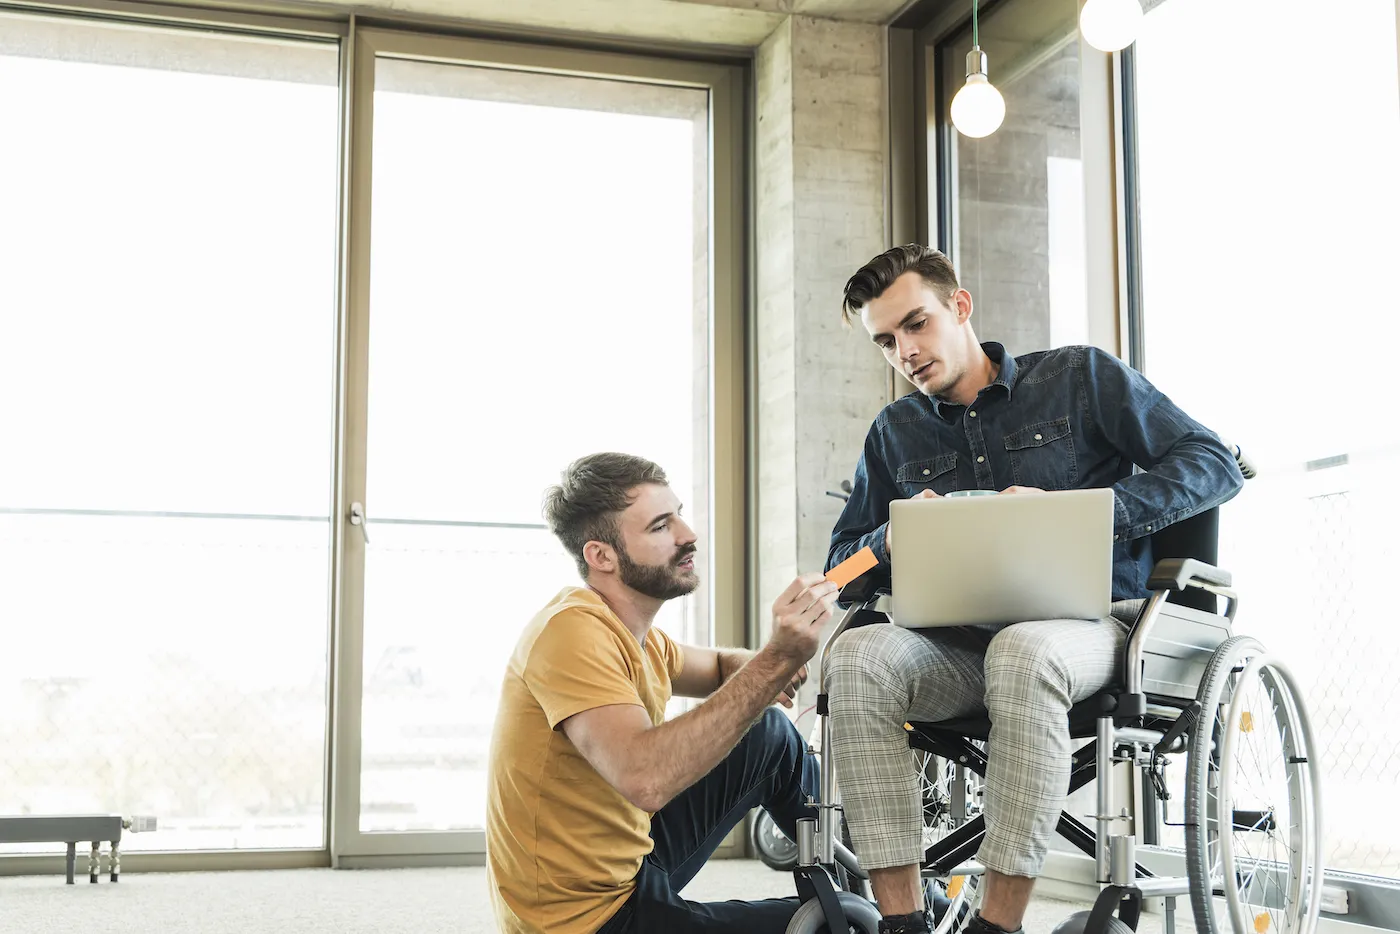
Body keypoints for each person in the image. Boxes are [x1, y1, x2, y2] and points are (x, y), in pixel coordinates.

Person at [823, 245, 1244, 934]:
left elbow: (1211, 462)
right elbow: (837, 574)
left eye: (917, 324)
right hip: (958, 649)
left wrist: (1081, 512)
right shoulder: (893, 434)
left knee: (1024, 650)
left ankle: (999, 926)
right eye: (886, 341)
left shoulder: (1078, 377)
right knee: (856, 659)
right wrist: (885, 544)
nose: (906, 351)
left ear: (960, 306)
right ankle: (901, 923)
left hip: (1097, 629)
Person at [486, 452, 837, 934]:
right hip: (587, 922)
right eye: (660, 526)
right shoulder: (571, 633)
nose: (688, 534)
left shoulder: (634, 635)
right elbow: (645, 779)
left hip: (629, 864)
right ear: (602, 556)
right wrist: (776, 659)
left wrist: (754, 665)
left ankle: (875, 887)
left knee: (771, 733)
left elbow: (717, 665)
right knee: (831, 929)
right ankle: (861, 918)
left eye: (680, 514)